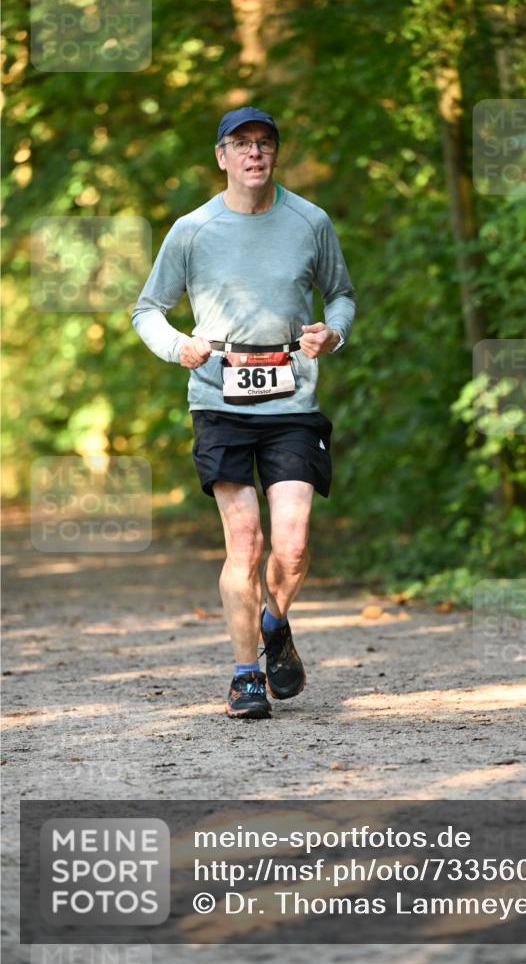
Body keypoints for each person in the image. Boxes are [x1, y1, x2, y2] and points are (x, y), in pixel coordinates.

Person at [132, 106, 355, 720]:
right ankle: (244, 675)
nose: (254, 153)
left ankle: (274, 624)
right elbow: (147, 309)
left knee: (293, 546)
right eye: (241, 143)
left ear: (275, 154)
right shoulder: (192, 229)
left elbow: (341, 295)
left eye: (264, 143)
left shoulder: (310, 221)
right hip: (219, 398)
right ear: (222, 157)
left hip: (293, 400)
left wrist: (333, 333)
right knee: (246, 543)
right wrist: (178, 346)